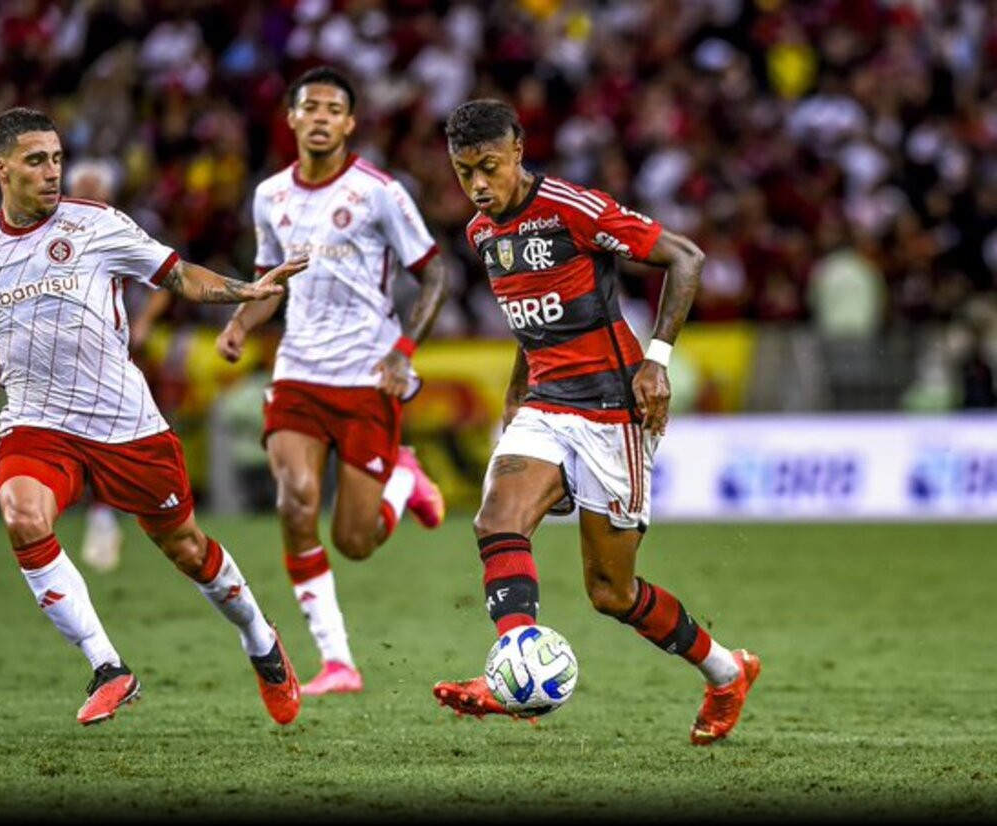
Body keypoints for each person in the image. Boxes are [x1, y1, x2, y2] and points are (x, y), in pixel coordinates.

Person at [0, 107, 308, 727]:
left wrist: (245, 290)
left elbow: (176, 275)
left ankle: (261, 640)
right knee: (21, 513)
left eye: (57, 158)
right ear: (2, 168)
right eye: (36, 160)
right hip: (36, 421)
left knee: (184, 546)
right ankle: (109, 667)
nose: (52, 172)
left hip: (124, 422)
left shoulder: (97, 225)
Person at [432, 100, 760, 745]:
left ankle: (727, 671)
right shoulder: (482, 234)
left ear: (519, 151)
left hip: (616, 411)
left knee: (611, 593)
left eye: (489, 168)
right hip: (546, 404)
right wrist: (511, 403)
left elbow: (686, 258)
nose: (476, 186)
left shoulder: (571, 209)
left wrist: (656, 362)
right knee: (495, 519)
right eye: (463, 171)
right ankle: (517, 670)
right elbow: (533, 329)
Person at [216, 66, 450, 696]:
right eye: (309, 107)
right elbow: (272, 279)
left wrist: (404, 350)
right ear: (291, 119)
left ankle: (404, 478)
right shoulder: (270, 196)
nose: (320, 117)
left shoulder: (380, 192)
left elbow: (434, 273)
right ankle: (338, 663)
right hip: (297, 373)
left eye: (333, 109)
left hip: (367, 378)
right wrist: (242, 320)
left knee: (355, 541)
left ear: (349, 123)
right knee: (294, 501)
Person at [64, 157, 129, 574]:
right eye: (81, 187)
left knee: (108, 443)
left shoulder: (118, 229)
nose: (88, 194)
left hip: (108, 352)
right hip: (60, 355)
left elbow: (164, 276)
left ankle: (108, 514)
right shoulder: (51, 232)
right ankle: (99, 515)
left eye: (94, 187)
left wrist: (142, 320)